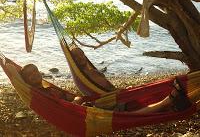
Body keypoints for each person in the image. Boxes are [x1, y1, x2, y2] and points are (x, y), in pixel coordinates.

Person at [19, 64, 193, 113]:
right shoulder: (38, 94)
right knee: (124, 115)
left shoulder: (48, 87)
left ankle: (169, 102)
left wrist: (78, 99)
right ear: (25, 79)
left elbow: (70, 97)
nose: (35, 75)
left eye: (35, 71)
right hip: (81, 113)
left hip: (87, 106)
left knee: (127, 100)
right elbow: (62, 106)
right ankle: (167, 101)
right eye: (30, 75)